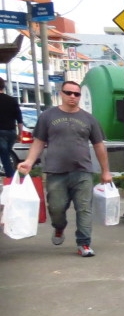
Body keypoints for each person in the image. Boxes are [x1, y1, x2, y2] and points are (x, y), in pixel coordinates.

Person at [16, 80, 113, 258]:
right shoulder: (47, 116)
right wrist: (29, 161)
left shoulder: (89, 119)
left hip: (82, 171)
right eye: (69, 93)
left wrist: (106, 171)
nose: (72, 97)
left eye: (76, 94)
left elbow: (99, 145)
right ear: (61, 93)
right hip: (55, 172)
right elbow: (39, 142)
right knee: (56, 208)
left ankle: (84, 243)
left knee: (84, 209)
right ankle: (59, 227)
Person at [0, 77, 25, 177]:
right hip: (11, 133)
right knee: (6, 152)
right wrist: (20, 133)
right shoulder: (12, 100)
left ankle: (11, 176)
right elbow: (19, 118)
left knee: (4, 155)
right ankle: (13, 175)